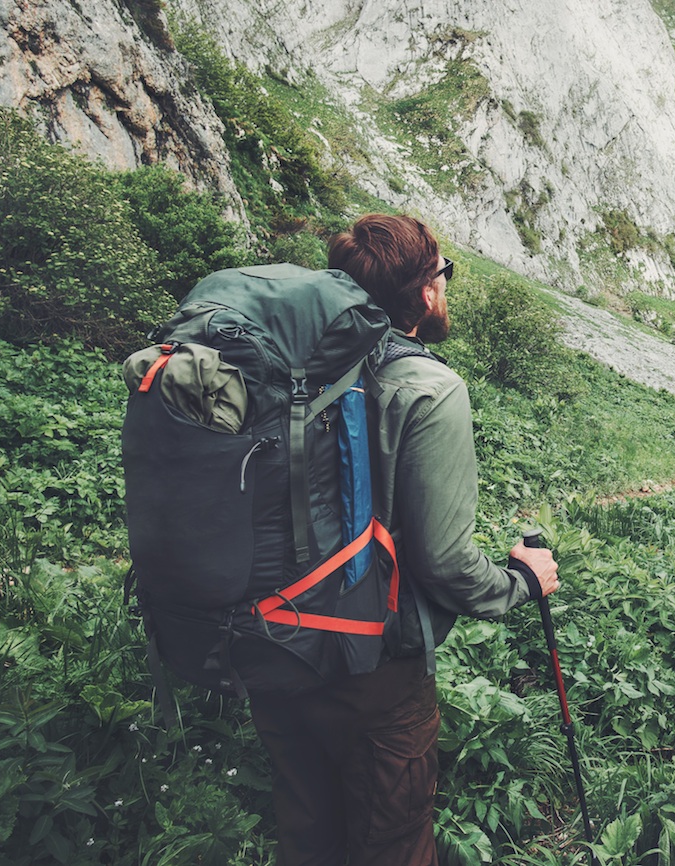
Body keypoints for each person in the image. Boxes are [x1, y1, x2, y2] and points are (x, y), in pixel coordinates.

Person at [247, 213, 561, 866]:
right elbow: (444, 562)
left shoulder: (289, 362)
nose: (445, 285)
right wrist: (521, 583)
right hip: (374, 671)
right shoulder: (429, 389)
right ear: (425, 291)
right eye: (443, 273)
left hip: (276, 645)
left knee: (307, 836)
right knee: (392, 843)